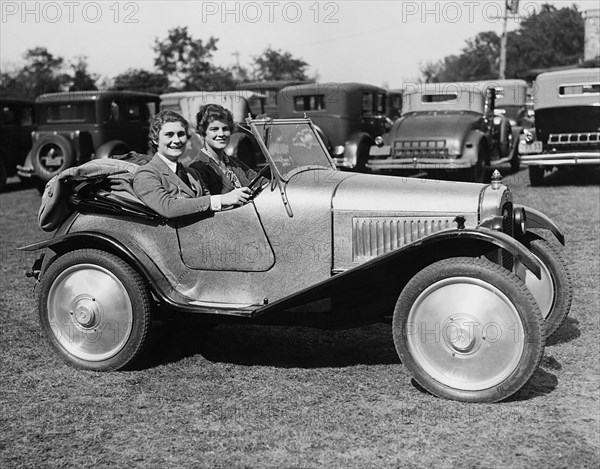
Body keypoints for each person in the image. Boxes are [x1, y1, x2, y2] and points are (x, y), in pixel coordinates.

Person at [133, 110, 250, 219]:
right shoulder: (146, 174)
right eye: (169, 135)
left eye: (180, 134)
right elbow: (168, 207)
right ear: (155, 139)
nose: (177, 140)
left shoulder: (192, 174)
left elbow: (209, 207)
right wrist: (221, 199)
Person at [189, 104, 263, 195]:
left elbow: (259, 181)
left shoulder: (235, 162)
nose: (221, 134)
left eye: (225, 129)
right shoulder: (197, 168)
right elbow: (207, 203)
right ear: (202, 134)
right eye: (214, 129)